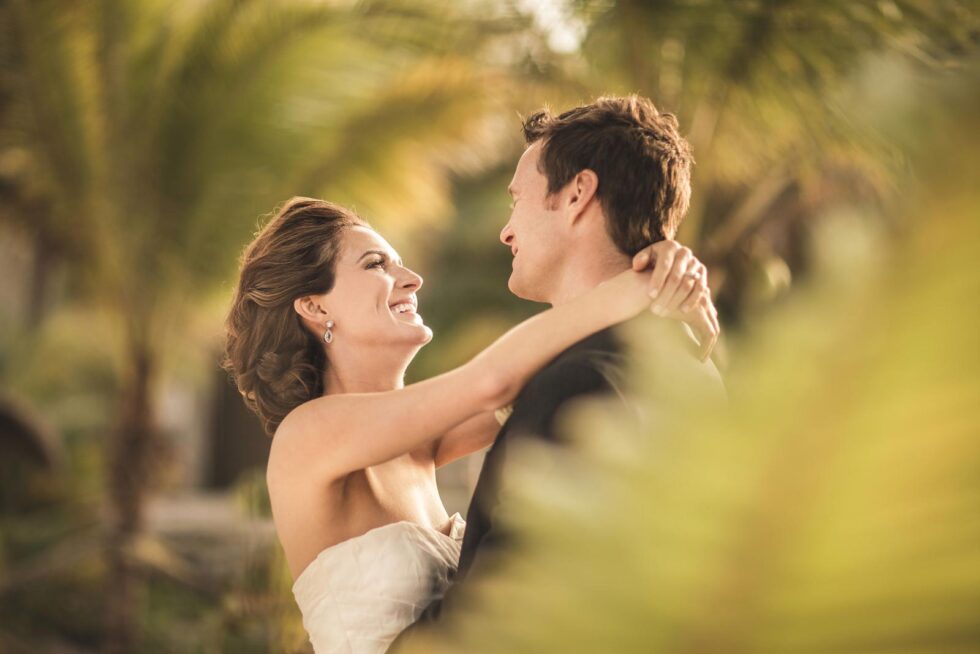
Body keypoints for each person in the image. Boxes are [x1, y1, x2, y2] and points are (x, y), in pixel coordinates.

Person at [222, 96, 719, 654]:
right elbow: (495, 381)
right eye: (375, 265)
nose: (411, 278)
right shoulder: (307, 437)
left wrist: (672, 269)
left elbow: (555, 381)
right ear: (315, 308)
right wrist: (633, 288)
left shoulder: (424, 442)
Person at [390, 95, 725, 650]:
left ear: (576, 194)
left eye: (517, 199)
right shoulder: (695, 368)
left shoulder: (579, 381)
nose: (505, 230)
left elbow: (497, 620)